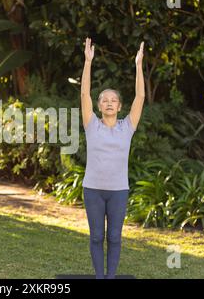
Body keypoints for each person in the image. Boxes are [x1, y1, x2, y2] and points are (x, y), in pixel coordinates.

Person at [80, 37, 145, 279]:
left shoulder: (127, 127)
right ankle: (99, 277)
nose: (109, 103)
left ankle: (111, 277)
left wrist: (138, 65)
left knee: (115, 236)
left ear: (119, 106)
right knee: (97, 236)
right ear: (99, 106)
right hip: (93, 190)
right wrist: (88, 62)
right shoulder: (91, 125)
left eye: (113, 100)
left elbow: (140, 98)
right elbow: (85, 93)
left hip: (118, 190)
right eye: (104, 100)